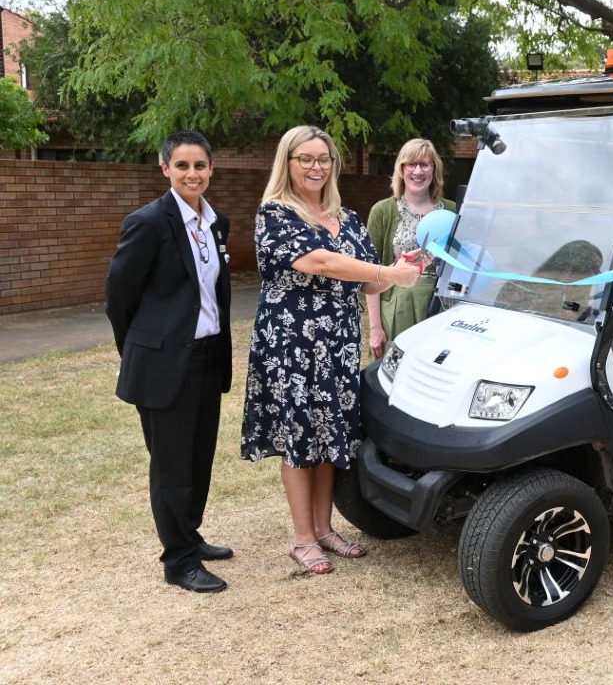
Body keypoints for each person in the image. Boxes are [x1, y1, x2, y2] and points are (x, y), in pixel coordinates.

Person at [240, 125, 421, 575]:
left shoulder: (349, 218)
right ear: (288, 163)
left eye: (323, 159)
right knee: (300, 437)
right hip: (293, 343)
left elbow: (368, 282)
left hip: (338, 342)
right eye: (305, 158)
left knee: (331, 433)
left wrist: (401, 268)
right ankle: (302, 539)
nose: (316, 167)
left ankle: (324, 530)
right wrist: (386, 272)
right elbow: (320, 263)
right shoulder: (275, 214)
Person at [105, 130, 234, 594]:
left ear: (211, 169)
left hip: (207, 358)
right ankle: (178, 561)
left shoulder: (216, 223)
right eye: (182, 165)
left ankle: (189, 536)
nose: (191, 174)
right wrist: (142, 352)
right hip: (164, 364)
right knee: (171, 466)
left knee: (198, 459)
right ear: (165, 169)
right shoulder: (148, 223)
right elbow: (119, 299)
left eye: (199, 165)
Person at [366, 139, 456, 358]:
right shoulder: (382, 211)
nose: (418, 171)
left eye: (424, 164)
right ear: (401, 169)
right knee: (395, 370)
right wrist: (375, 328)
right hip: (397, 306)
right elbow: (371, 272)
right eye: (411, 164)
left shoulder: (452, 210)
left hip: (440, 308)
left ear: (434, 169)